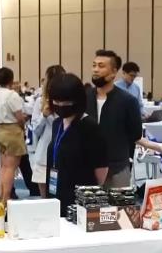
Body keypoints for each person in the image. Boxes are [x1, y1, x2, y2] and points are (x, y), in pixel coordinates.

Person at [46, 73, 108, 216]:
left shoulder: (90, 127)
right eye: (56, 102)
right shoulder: (57, 124)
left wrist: (88, 195)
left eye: (65, 103)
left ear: (77, 101)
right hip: (56, 194)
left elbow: (101, 169)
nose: (60, 106)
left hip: (80, 199)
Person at [86, 49, 142, 188]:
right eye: (94, 65)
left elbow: (135, 134)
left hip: (117, 168)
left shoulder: (128, 101)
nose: (96, 69)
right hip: (87, 167)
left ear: (113, 72)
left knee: (119, 202)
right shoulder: (84, 98)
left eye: (101, 66)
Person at [0, 67, 27, 202]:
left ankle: (1, 198)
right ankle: (6, 199)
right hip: (12, 130)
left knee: (4, 167)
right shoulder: (12, 95)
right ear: (11, 79)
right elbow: (19, 117)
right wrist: (23, 126)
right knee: (11, 167)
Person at [31, 65, 66, 198]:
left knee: (63, 197)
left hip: (64, 154)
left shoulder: (69, 103)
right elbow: (35, 130)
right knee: (45, 200)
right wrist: (44, 115)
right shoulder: (40, 101)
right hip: (44, 155)